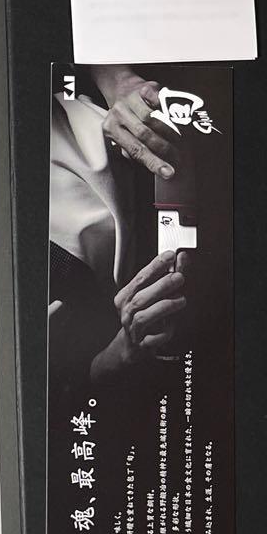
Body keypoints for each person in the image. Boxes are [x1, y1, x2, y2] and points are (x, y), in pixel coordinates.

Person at [49, 64, 192, 394]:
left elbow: (47, 44)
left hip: (135, 138)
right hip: (143, 311)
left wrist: (116, 79)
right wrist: (118, 355)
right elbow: (57, 390)